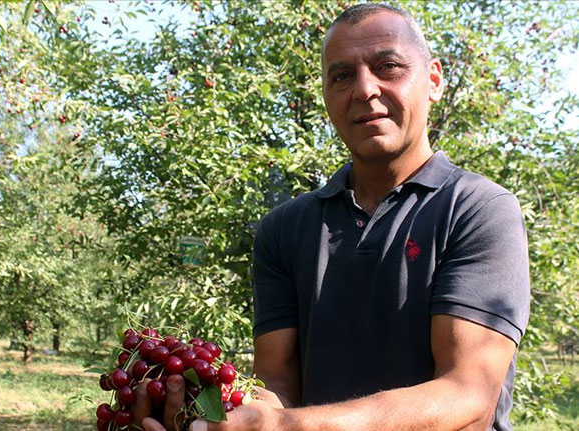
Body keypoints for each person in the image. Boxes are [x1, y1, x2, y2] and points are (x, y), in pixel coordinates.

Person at [138, 3, 530, 431]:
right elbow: (278, 383)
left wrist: (287, 426)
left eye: (388, 66)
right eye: (342, 75)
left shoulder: (478, 210)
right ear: (326, 95)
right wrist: (219, 412)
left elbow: (467, 397)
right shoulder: (285, 228)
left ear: (433, 80)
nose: (364, 89)